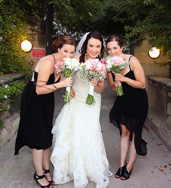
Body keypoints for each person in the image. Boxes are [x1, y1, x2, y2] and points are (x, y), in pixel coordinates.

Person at [50, 32, 111, 188]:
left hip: (92, 102)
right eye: (91, 46)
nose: (94, 49)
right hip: (77, 100)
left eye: (98, 46)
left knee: (90, 132)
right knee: (76, 132)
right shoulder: (76, 60)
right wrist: (68, 88)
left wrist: (95, 82)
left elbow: (100, 89)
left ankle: (91, 168)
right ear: (85, 46)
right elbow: (65, 77)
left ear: (101, 47)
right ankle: (75, 168)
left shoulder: (102, 64)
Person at [14, 36, 76, 188]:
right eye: (65, 51)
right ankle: (39, 174)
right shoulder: (48, 62)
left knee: (47, 136)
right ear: (58, 48)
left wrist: (69, 86)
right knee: (39, 139)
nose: (68, 55)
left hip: (47, 99)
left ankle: (47, 170)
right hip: (34, 99)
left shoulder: (62, 63)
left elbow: (58, 81)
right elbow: (39, 89)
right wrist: (61, 83)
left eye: (71, 52)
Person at [106, 35, 148, 180]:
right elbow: (112, 86)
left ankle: (129, 166)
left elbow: (142, 84)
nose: (112, 52)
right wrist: (115, 85)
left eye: (115, 48)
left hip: (138, 102)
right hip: (122, 101)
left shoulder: (132, 60)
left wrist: (124, 79)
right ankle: (121, 165)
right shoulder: (109, 65)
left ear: (122, 48)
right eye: (109, 49)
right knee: (124, 133)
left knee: (135, 133)